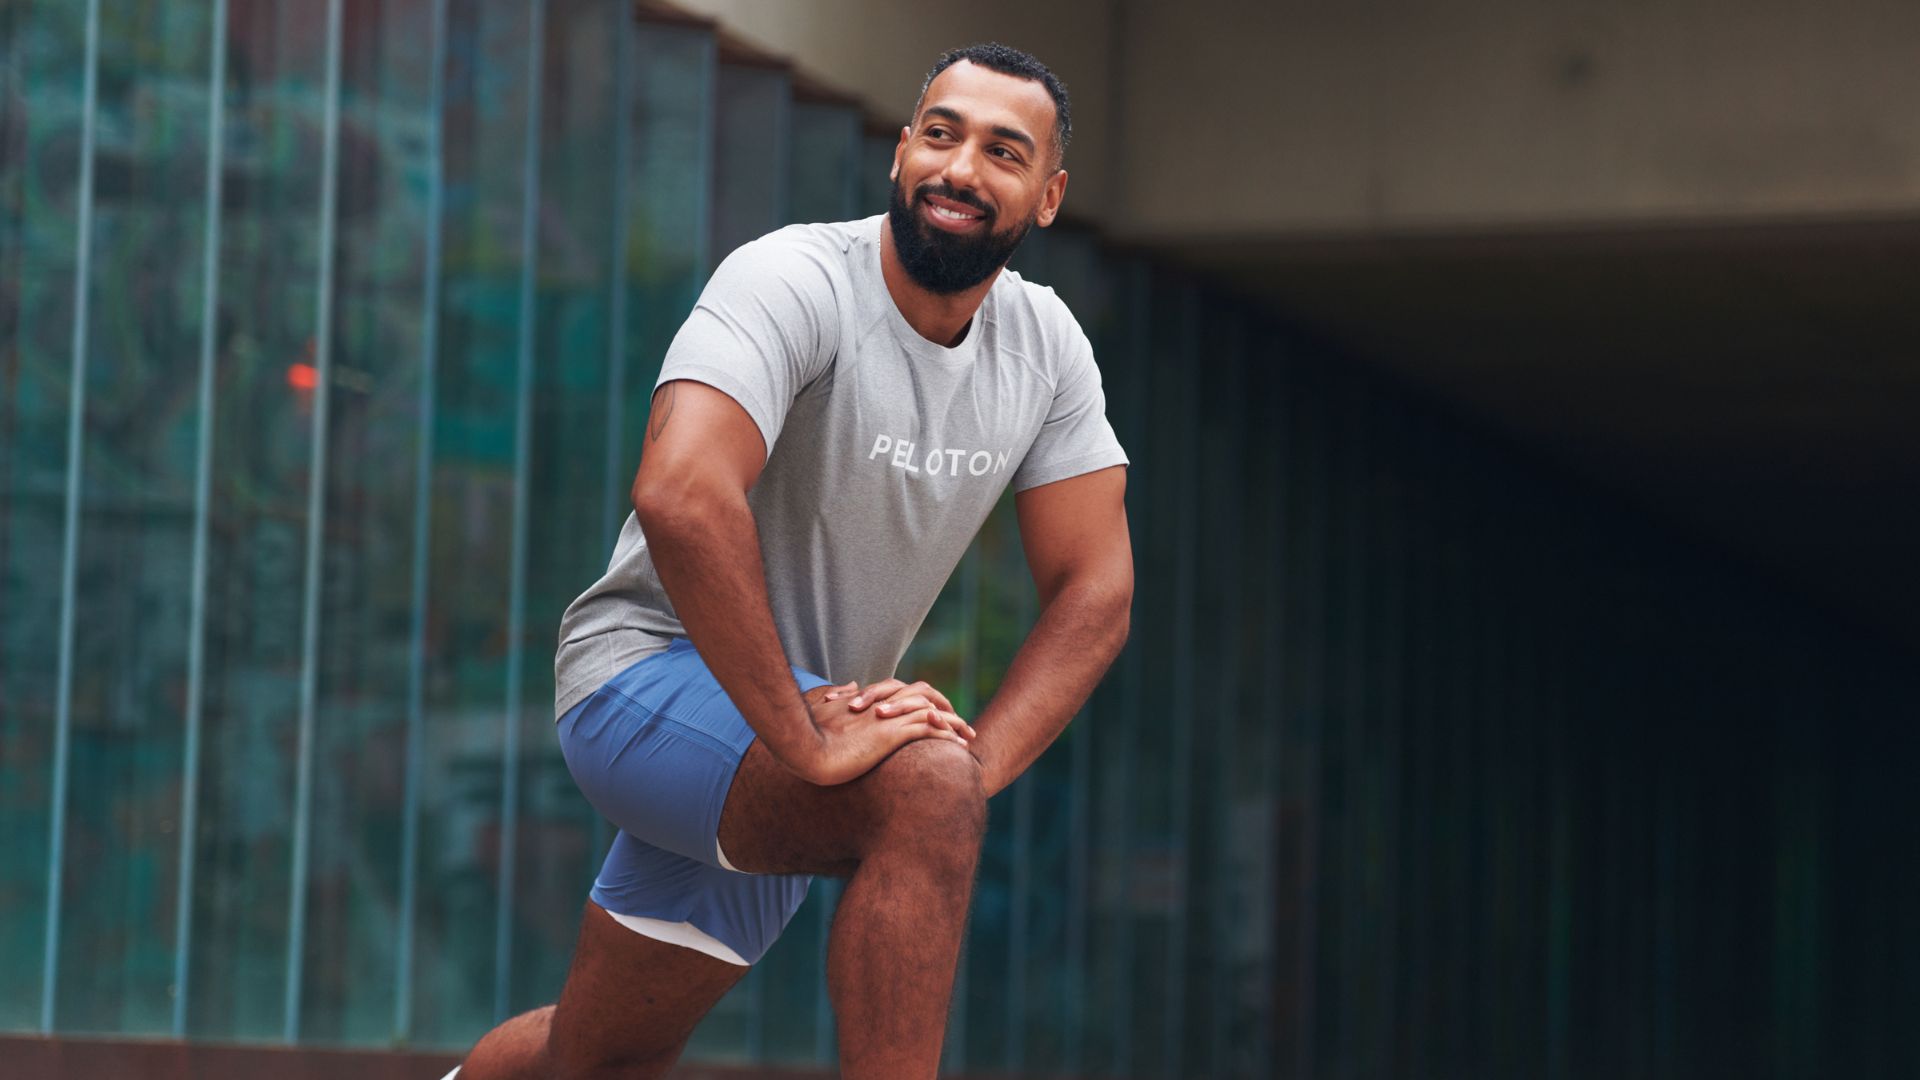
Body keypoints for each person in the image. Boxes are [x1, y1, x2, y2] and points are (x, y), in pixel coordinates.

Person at [453, 41, 1132, 1080]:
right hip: (643, 680)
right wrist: (816, 743)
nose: (959, 169)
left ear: (1048, 196)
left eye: (1003, 152)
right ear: (900, 152)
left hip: (801, 733)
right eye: (940, 135)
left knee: (596, 1058)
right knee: (923, 787)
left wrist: (971, 771)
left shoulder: (1045, 349)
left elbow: (1097, 590)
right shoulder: (795, 279)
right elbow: (680, 492)